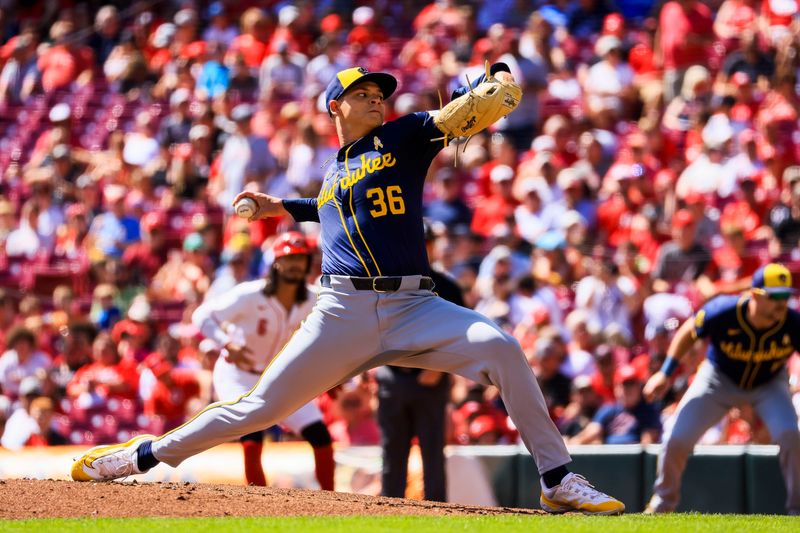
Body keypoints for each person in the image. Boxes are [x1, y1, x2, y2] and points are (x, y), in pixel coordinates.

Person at [71, 65, 624, 515]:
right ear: (334, 106)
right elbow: (329, 207)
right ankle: (139, 457)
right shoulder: (338, 170)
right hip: (342, 311)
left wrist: (486, 86)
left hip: (415, 304)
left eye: (380, 94)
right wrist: (280, 207)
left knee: (502, 348)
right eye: (362, 95)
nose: (376, 101)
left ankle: (556, 477)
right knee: (259, 408)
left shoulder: (404, 136)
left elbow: (456, 114)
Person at [643, 264, 800, 514]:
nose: (782, 304)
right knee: (676, 437)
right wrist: (665, 372)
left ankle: (798, 510)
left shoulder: (792, 322)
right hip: (719, 379)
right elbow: (688, 332)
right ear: (755, 294)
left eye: (786, 296)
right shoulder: (724, 311)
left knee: (792, 435)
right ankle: (662, 503)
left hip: (769, 384)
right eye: (775, 297)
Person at [190, 232, 334, 490]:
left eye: (301, 259)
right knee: (253, 433)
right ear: (275, 262)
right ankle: (259, 500)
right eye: (289, 258)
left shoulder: (315, 298)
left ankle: (334, 504)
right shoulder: (250, 294)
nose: (295, 265)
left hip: (282, 377)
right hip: (239, 374)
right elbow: (202, 315)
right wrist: (225, 342)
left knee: (320, 436)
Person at [376, 220, 460, 502]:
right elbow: (375, 329)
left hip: (431, 380)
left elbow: (463, 335)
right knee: (392, 455)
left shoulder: (447, 286)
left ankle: (438, 518)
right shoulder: (386, 282)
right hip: (394, 376)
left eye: (425, 242)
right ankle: (388, 518)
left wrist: (439, 365)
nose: (420, 248)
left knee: (433, 455)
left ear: (433, 246)